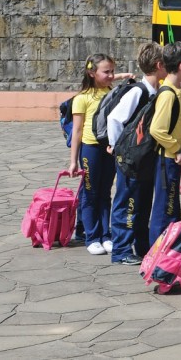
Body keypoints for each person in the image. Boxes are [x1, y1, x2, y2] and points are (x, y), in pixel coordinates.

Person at [107, 42, 164, 265]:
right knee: (127, 203)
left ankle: (141, 246)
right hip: (131, 159)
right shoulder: (138, 91)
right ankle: (121, 250)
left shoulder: (156, 91)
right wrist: (117, 148)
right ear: (158, 65)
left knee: (142, 203)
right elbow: (114, 119)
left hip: (145, 158)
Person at [67, 53, 119, 255]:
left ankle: (106, 235)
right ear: (91, 73)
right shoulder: (82, 98)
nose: (111, 75)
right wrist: (73, 161)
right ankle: (92, 236)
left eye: (113, 71)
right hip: (90, 149)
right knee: (90, 192)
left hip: (108, 148)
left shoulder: (111, 92)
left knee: (105, 192)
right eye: (106, 72)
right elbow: (77, 131)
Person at [148, 41, 181, 244]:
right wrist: (177, 151)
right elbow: (157, 129)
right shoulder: (168, 94)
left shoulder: (176, 90)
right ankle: (158, 251)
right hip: (167, 160)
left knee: (172, 208)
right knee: (164, 210)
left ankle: (170, 249)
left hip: (174, 159)